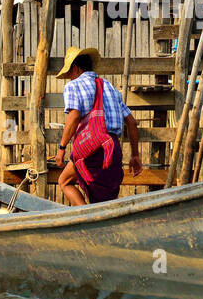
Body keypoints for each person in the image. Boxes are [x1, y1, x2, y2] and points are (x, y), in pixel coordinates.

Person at [54, 46, 141, 205]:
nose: (70, 78)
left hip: (90, 150)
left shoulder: (73, 86)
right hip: (112, 150)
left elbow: (73, 116)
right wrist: (135, 155)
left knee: (64, 181)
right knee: (104, 200)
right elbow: (132, 122)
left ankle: (86, 218)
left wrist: (61, 148)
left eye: (70, 74)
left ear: (75, 68)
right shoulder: (110, 87)